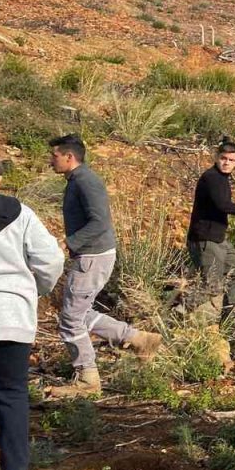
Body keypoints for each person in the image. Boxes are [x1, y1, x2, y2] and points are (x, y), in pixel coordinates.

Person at [0, 151, 64, 470]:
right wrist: (34, 290)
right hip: (13, 315)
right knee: (12, 395)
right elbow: (52, 260)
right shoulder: (21, 212)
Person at [48, 135, 160, 397]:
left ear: (69, 157)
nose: (50, 160)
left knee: (70, 320)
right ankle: (141, 339)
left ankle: (87, 379)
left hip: (92, 257)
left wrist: (69, 243)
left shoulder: (85, 181)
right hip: (92, 256)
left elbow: (100, 222)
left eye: (54, 156)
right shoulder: (79, 179)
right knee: (78, 313)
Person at [187, 140, 235, 327]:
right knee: (212, 287)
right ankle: (180, 318)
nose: (226, 162)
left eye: (231, 160)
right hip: (205, 240)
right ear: (216, 158)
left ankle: (229, 319)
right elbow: (222, 205)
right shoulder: (212, 178)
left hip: (219, 239)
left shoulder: (222, 178)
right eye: (223, 158)